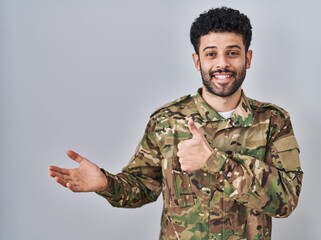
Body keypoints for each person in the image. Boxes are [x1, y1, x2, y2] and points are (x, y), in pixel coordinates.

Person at [48, 7, 303, 240]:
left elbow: (285, 202)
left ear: (247, 59)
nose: (222, 63)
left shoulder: (273, 121)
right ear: (197, 61)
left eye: (232, 53)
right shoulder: (166, 121)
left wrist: (214, 162)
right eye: (211, 54)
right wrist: (106, 183)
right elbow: (142, 187)